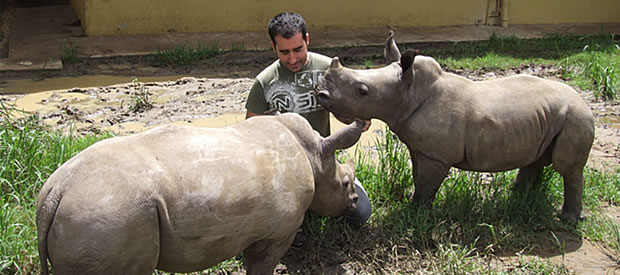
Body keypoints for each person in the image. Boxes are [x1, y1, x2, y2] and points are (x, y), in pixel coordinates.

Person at [245, 12, 372, 225]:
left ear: (307, 40)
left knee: (360, 214)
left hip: (323, 162)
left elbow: (355, 115)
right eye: (284, 52)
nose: (292, 59)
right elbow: (249, 134)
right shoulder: (264, 82)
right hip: (283, 170)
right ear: (273, 47)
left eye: (298, 49)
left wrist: (357, 118)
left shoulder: (328, 70)